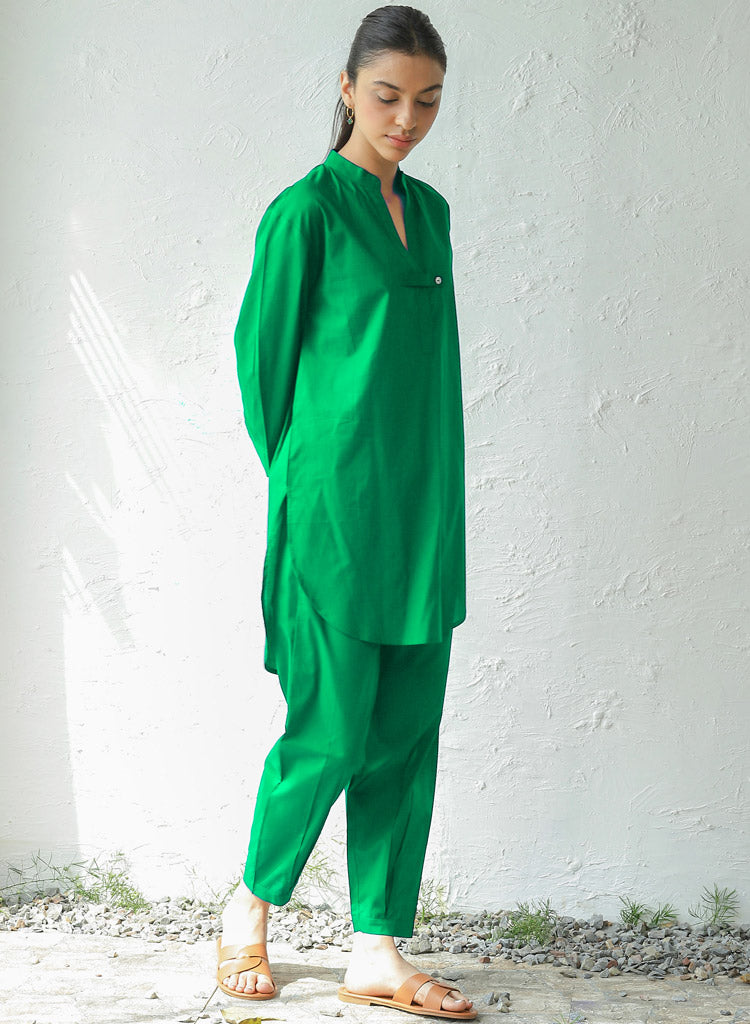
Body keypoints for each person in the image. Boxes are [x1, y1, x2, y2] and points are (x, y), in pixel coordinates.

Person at [217, 6, 474, 1020]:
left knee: (406, 734)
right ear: (347, 90)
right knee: (328, 731)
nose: (407, 120)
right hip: (333, 514)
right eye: (388, 97)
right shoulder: (305, 213)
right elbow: (263, 373)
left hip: (423, 513)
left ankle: (377, 948)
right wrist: (311, 485)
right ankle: (250, 904)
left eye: (427, 102)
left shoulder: (434, 213)